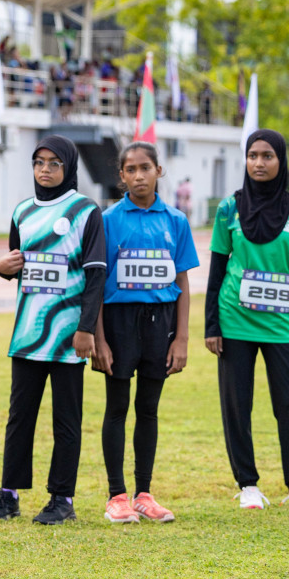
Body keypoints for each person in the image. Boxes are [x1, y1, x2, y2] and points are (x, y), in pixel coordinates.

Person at [0, 135, 106, 526]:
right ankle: (9, 494)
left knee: (66, 420)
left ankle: (62, 498)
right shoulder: (22, 211)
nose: (46, 169)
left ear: (68, 167)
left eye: (55, 163)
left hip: (70, 337)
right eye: (39, 162)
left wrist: (86, 329)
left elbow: (96, 276)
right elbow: (15, 263)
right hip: (27, 335)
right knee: (20, 417)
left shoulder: (86, 211)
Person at [205, 129, 289, 511]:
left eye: (267, 156)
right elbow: (217, 270)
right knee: (237, 404)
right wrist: (211, 326)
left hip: (282, 326)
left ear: (280, 160)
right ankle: (248, 484)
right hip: (234, 320)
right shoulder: (228, 209)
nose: (259, 162)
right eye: (253, 155)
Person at [91, 141, 198, 524]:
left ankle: (144, 494)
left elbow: (183, 283)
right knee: (117, 407)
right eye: (131, 169)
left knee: (148, 409)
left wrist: (181, 338)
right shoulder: (106, 220)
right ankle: (116, 495)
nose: (139, 176)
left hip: (160, 324)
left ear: (158, 171)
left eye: (145, 168)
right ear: (121, 176)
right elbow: (97, 283)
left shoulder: (176, 221)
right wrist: (99, 338)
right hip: (119, 324)